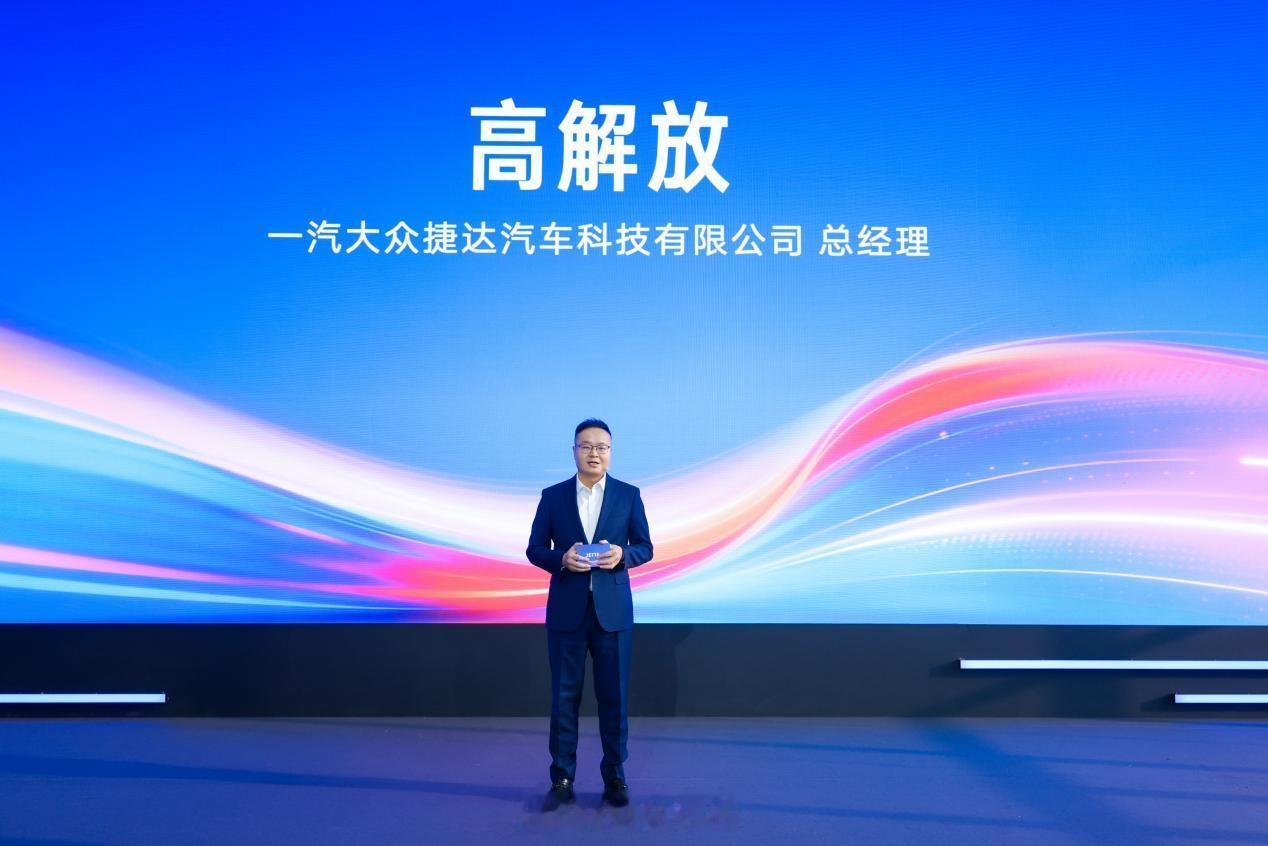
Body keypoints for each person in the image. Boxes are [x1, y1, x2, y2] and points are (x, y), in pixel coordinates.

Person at [526, 418, 654, 809]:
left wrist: (621, 555)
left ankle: (615, 776)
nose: (594, 453)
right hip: (567, 613)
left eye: (601, 447)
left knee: (614, 699)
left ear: (611, 452)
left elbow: (645, 547)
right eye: (586, 446)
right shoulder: (553, 497)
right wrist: (561, 559)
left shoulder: (628, 495)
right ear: (574, 451)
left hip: (612, 615)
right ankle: (562, 778)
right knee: (564, 699)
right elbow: (534, 549)